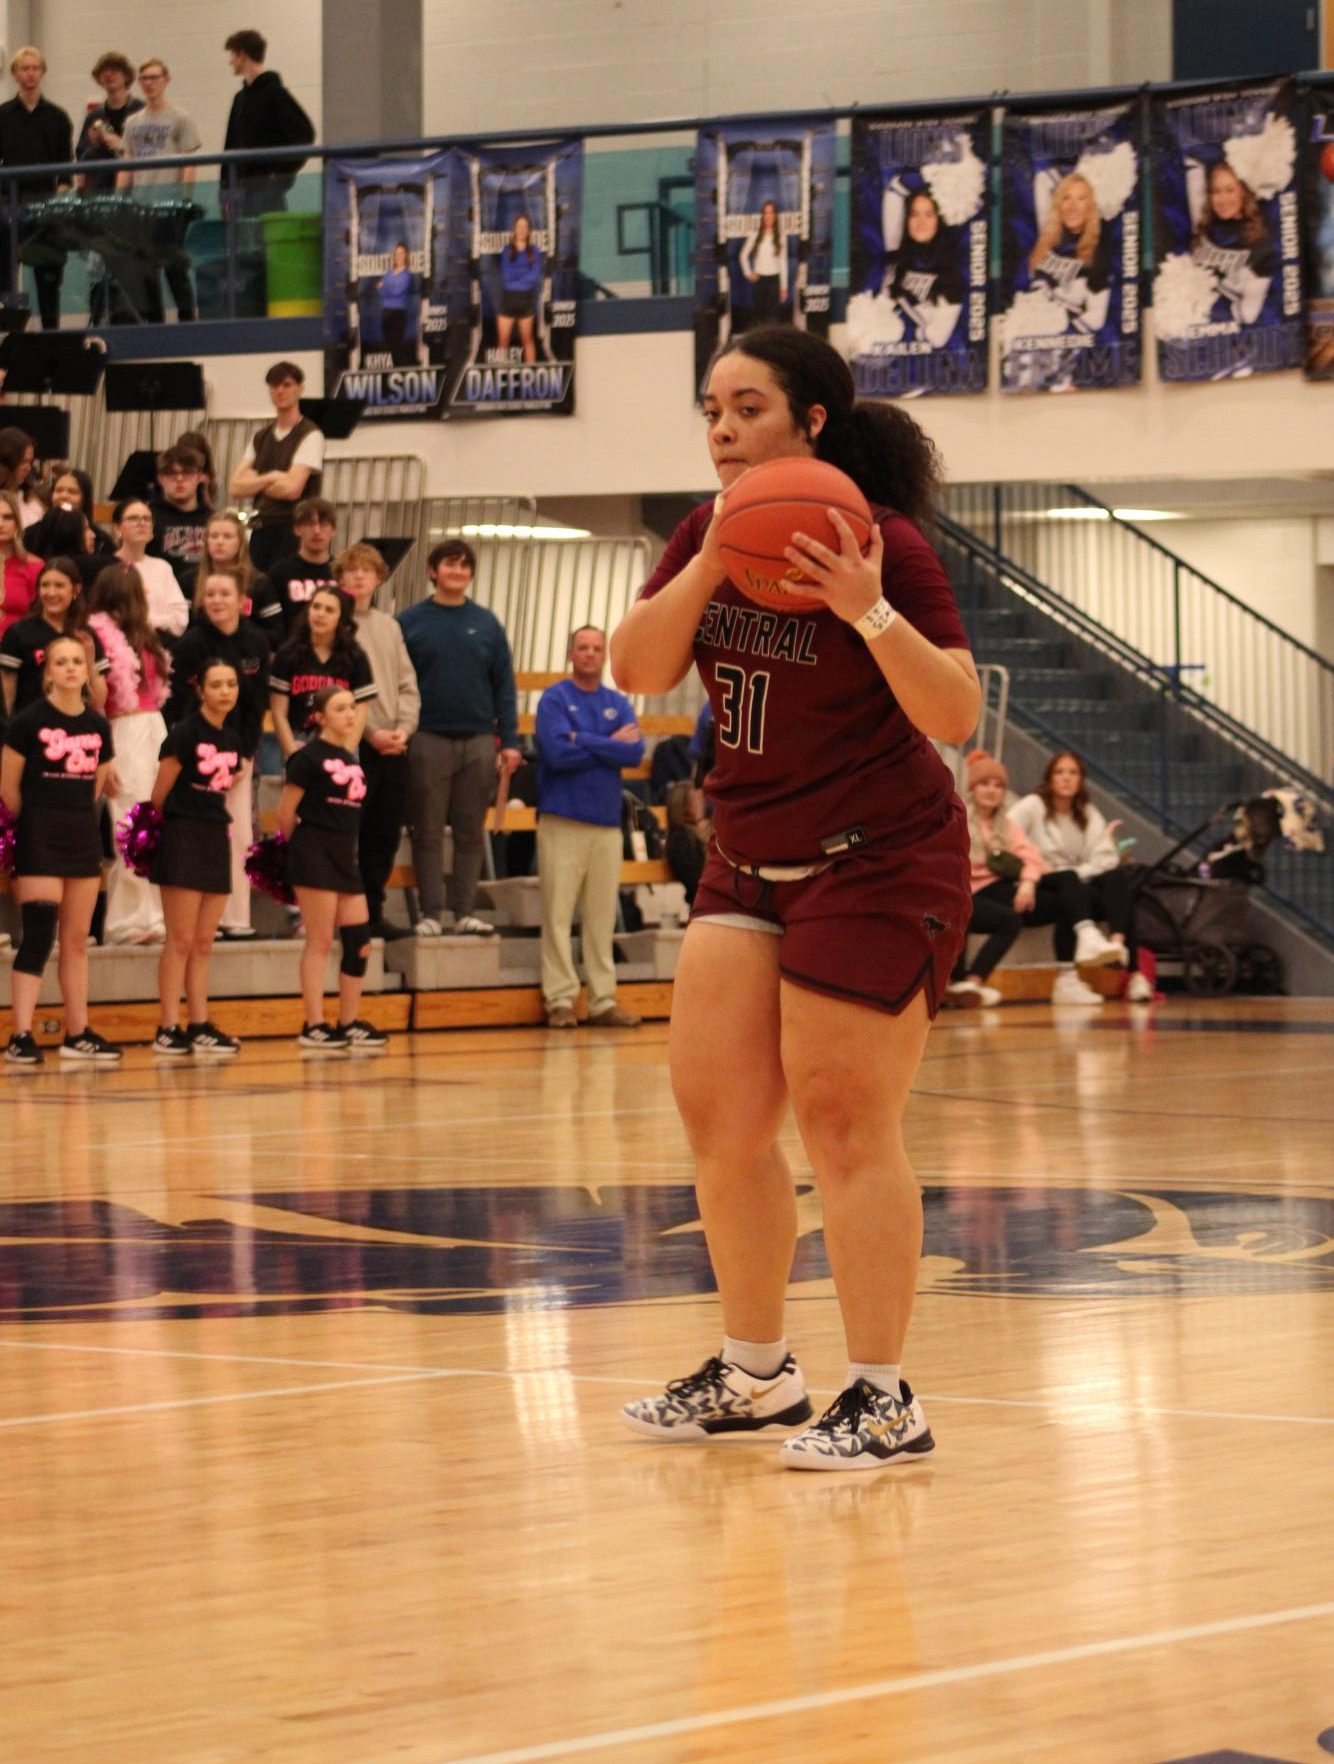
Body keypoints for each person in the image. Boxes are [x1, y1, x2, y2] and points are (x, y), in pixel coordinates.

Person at [609, 323, 981, 1471]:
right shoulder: (704, 532)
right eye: (710, 410)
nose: (720, 430)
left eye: (746, 408)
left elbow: (956, 715)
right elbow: (635, 667)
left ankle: (882, 1397)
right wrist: (714, 559)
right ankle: (756, 1372)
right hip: (748, 854)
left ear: (810, 421)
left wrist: (868, 607)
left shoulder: (890, 545)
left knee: (842, 1122)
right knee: (720, 1122)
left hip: (878, 860)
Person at [1, 634, 122, 1065]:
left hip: (81, 839)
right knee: (38, 936)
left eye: (78, 661)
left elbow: (94, 788)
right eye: (62, 662)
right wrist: (35, 821)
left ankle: (76, 1032)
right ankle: (21, 1035)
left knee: (76, 941)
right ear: (48, 671)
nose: (71, 668)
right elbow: (8, 789)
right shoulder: (27, 721)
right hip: (38, 836)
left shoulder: (97, 724)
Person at [398, 539, 520, 938]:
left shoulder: (487, 623)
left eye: (465, 565)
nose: (458, 571)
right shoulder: (410, 621)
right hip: (427, 737)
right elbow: (399, 682)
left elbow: (504, 686)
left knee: (471, 832)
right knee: (428, 830)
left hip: (480, 741)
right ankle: (431, 913)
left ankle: (465, 911)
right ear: (433, 570)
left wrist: (511, 741)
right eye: (450, 564)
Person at [947, 749, 1124, 1009]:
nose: (992, 791)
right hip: (972, 893)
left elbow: (1032, 858)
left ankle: (1082, 946)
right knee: (1010, 918)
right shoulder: (957, 821)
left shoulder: (1006, 824)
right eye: (985, 784)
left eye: (998, 786)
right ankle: (971, 983)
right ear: (973, 788)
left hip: (1004, 888)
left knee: (1068, 886)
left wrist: (1029, 882)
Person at [534, 625, 644, 1029]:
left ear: (604, 656)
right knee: (559, 916)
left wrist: (587, 738)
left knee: (601, 919)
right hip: (562, 819)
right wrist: (608, 743)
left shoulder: (617, 701)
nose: (590, 654)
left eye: (597, 648)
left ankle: (602, 1002)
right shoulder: (555, 699)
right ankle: (560, 1000)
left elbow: (634, 752)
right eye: (582, 647)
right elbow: (557, 753)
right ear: (570, 653)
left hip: (605, 825)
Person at [277, 684, 386, 1052]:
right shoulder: (306, 758)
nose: (350, 714)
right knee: (320, 941)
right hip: (314, 853)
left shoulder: (352, 759)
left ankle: (349, 1021)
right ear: (321, 717)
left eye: (353, 708)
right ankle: (314, 1024)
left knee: (359, 943)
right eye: (341, 709)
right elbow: (285, 814)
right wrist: (299, 853)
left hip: (344, 857)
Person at [165, 564, 269, 940]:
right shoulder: (191, 643)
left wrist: (243, 754)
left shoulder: (256, 643)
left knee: (239, 834)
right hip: (197, 756)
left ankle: (235, 918)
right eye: (210, 594)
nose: (217, 601)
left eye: (225, 594)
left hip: (239, 754)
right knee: (196, 834)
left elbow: (257, 705)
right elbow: (178, 703)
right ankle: (191, 917)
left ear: (242, 600)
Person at [149, 657, 243, 1057]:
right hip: (183, 834)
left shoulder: (232, 737)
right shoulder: (183, 735)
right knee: (181, 939)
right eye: (216, 684)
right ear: (200, 690)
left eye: (231, 684)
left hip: (214, 836)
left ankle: (199, 1023)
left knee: (204, 941)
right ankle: (168, 1026)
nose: (225, 691)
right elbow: (159, 795)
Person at [1008, 750, 1152, 1003]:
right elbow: (1007, 834)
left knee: (1118, 879)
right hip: (1040, 879)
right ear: (1049, 778)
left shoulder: (1087, 812)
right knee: (1070, 888)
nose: (1066, 778)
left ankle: (1120, 951)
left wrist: (1077, 872)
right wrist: (1034, 866)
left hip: (1075, 882)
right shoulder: (1033, 805)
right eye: (1060, 772)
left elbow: (1105, 858)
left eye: (1073, 773)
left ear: (1081, 779)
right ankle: (1071, 976)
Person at [337, 542, 419, 937]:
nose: (358, 577)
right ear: (339, 578)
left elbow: (408, 684)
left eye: (366, 571)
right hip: (353, 745)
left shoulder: (390, 626)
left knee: (383, 835)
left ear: (378, 578)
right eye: (351, 571)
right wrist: (368, 734)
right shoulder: (334, 624)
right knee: (349, 834)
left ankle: (373, 911)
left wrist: (403, 729)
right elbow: (337, 689)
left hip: (394, 745)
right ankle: (345, 915)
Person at [86, 562, 170, 945]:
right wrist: (106, 754)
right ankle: (128, 920)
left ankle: (156, 915)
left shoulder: (146, 635)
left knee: (157, 822)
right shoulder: (96, 635)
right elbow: (97, 704)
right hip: (121, 730)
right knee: (131, 824)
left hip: (155, 729)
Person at [116, 60, 201, 324]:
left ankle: (187, 321)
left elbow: (189, 162)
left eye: (154, 77)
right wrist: (119, 201)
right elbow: (127, 163)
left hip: (169, 205)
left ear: (166, 79)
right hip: (142, 206)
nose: (149, 83)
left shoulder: (180, 118)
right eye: (144, 78)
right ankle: (155, 323)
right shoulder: (132, 122)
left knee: (174, 267)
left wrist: (184, 201)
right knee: (146, 269)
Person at [0, 47, 74, 329]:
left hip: (46, 204)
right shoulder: (3, 115)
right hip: (9, 203)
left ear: (42, 72)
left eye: (35, 67)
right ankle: (8, 334)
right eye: (24, 68)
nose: (30, 73)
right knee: (5, 273)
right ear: (15, 74)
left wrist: (62, 194)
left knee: (48, 271)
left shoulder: (57, 116)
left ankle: (51, 332)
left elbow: (65, 166)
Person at [227, 362, 325, 573]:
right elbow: (235, 487)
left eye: (286, 385)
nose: (280, 391)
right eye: (274, 386)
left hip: (292, 528)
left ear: (300, 388)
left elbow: (292, 489)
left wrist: (255, 480)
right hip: (261, 527)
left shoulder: (310, 434)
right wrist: (272, 476)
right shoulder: (260, 437)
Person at [269, 585, 375, 759]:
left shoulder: (355, 656)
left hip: (342, 739)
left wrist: (344, 755)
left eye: (329, 610)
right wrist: (293, 755)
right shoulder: (287, 653)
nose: (320, 614)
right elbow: (278, 712)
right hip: (298, 739)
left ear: (341, 618)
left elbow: (361, 713)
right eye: (316, 606)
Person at [222, 30, 314, 220]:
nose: (230, 61)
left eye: (232, 55)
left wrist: (279, 176)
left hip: (265, 191)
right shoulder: (240, 99)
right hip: (241, 190)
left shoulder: (275, 94)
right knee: (243, 246)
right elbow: (230, 147)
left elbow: (304, 134)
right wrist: (226, 193)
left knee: (265, 243)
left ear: (242, 54)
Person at [1, 556, 109, 718]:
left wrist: (89, 658)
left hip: (74, 732)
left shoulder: (85, 635)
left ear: (76, 589)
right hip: (30, 730)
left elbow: (99, 700)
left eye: (59, 586)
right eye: (45, 585)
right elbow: (6, 698)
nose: (51, 593)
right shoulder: (18, 632)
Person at [1191, 161, 1275, 328]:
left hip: (1224, 335)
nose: (1223, 200)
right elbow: (1193, 171)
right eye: (1216, 191)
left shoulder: (1261, 245)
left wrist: (1212, 303)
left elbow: (1248, 315)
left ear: (1244, 192)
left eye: (1230, 190)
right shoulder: (1204, 227)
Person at [879, 187, 964, 349]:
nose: (920, 222)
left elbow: (937, 338)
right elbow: (892, 193)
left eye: (929, 215)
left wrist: (906, 298)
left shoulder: (951, 269)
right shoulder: (896, 260)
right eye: (914, 214)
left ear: (939, 219)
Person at [1027, 173, 1111, 337]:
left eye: (1081, 199)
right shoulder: (1047, 243)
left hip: (1069, 339)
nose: (1073, 206)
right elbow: (1042, 178)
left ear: (1090, 206)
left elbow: (1096, 319)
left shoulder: (1099, 252)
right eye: (1066, 198)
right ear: (1058, 204)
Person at [255, 498, 339, 637]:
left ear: (333, 530)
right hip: (291, 652)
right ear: (297, 529)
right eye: (309, 524)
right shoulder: (279, 573)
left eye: (323, 524)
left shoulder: (341, 572)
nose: (317, 531)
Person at [112, 497, 189, 644]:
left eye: (146, 519)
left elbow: (180, 619)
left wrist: (143, 621)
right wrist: (159, 620)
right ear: (117, 528)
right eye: (133, 518)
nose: (141, 523)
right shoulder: (107, 566)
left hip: (157, 645)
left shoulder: (162, 567)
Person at [148, 445, 210, 596]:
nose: (179, 479)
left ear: (200, 476)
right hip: (161, 596)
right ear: (160, 479)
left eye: (187, 472)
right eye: (170, 473)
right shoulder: (147, 517)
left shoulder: (214, 520)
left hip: (205, 597)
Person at [193, 511, 271, 627]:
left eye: (227, 536)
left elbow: (275, 632)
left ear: (240, 542)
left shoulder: (258, 582)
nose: (219, 542)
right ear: (206, 541)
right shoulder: (190, 580)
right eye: (214, 536)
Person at [25, 468, 115, 560]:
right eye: (59, 490)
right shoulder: (30, 534)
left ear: (85, 498)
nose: (64, 496)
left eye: (72, 492)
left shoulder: (101, 540)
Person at [495, 215, 542, 363]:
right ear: (514, 229)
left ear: (528, 231)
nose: (521, 229)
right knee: (503, 340)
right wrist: (522, 278)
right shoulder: (506, 250)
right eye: (519, 226)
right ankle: (501, 375)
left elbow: (534, 276)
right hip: (508, 299)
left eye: (525, 226)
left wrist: (518, 280)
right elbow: (506, 276)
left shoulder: (535, 251)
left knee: (527, 340)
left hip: (525, 299)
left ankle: (531, 377)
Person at [739, 199, 788, 328]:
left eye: (771, 213)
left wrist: (783, 287)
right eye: (766, 213)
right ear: (763, 216)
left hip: (774, 281)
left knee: (773, 317)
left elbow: (783, 262)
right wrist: (748, 273)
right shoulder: (755, 235)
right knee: (759, 316)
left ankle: (772, 346)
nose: (769, 216)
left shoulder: (781, 236)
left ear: (775, 215)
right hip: (759, 281)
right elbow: (743, 256)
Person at [0, 488, 42, 637]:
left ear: (17, 523)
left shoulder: (34, 567)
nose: (0, 523)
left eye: (7, 517)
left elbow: (40, 616)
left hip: (18, 646)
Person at [664, 777, 712, 906]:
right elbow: (696, 882)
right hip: (705, 905)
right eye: (697, 800)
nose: (703, 803)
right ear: (684, 806)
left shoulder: (699, 832)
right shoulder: (681, 839)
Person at [378, 241, 415, 365]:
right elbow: (381, 292)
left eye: (401, 253)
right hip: (386, 312)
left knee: (396, 347)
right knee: (389, 346)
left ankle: (399, 372)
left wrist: (384, 287)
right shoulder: (388, 273)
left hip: (398, 314)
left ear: (406, 255)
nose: (398, 256)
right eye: (396, 253)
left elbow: (396, 291)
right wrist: (384, 288)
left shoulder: (407, 275)